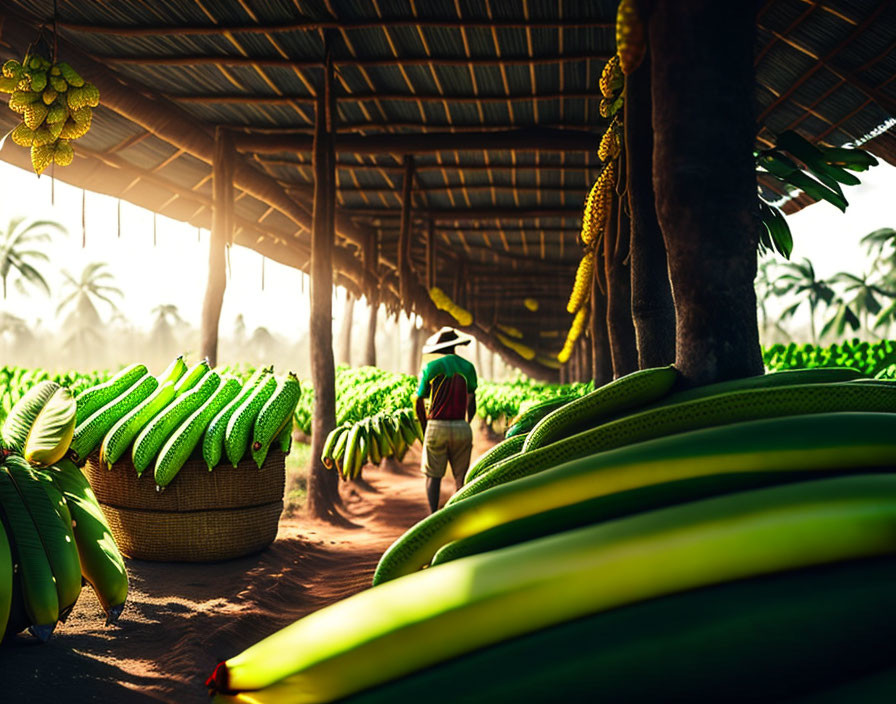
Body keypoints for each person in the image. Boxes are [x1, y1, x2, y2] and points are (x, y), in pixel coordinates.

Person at [414, 327, 477, 513]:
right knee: (461, 477)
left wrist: (426, 427)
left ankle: (434, 514)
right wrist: (466, 422)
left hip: (436, 426)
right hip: (461, 426)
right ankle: (461, 513)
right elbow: (472, 402)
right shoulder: (468, 367)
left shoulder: (431, 367)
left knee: (433, 476)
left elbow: (419, 401)